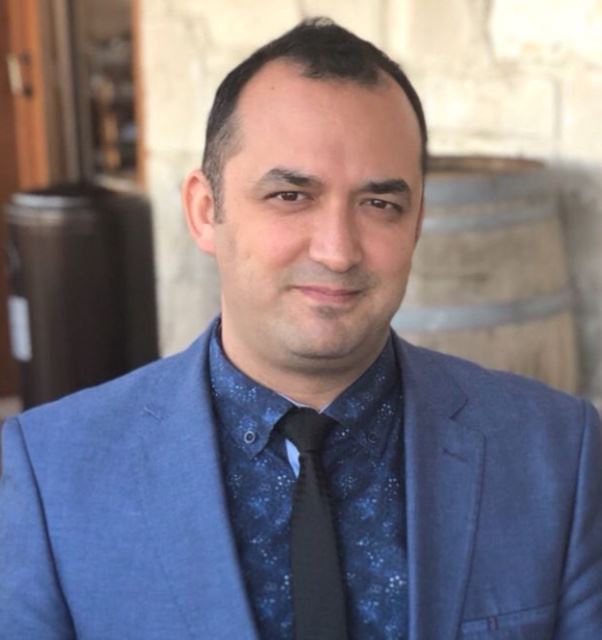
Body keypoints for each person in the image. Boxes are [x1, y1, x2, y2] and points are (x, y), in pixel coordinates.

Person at [1, 18, 601, 640]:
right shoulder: (52, 476)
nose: (338, 251)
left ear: (416, 222)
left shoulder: (557, 453)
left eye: (380, 204)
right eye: (291, 196)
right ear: (206, 211)